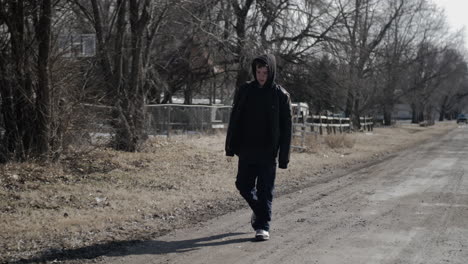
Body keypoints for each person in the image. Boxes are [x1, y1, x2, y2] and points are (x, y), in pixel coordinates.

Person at [225, 54, 292, 241]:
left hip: (268, 151)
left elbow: (287, 129)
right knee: (242, 185)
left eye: (265, 72)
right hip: (246, 148)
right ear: (254, 71)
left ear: (271, 72)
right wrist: (230, 147)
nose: (261, 76)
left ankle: (263, 227)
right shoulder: (245, 90)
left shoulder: (281, 95)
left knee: (265, 190)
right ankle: (260, 212)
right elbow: (235, 119)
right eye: (258, 72)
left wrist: (284, 157)